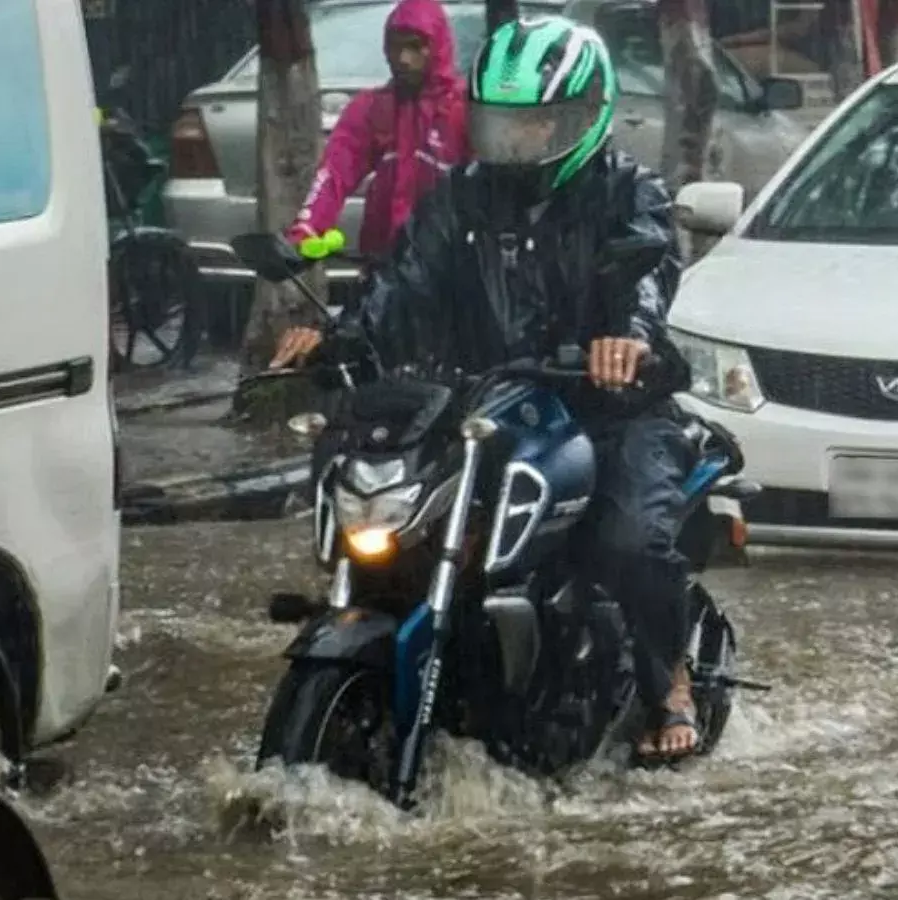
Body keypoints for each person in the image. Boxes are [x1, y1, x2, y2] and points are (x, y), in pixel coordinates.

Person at [271, 17, 703, 759]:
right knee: (403, 521)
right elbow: (400, 284)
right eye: (504, 123)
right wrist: (336, 340)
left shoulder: (630, 194)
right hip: (480, 405)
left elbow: (648, 275)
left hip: (608, 407)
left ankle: (672, 683)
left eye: (538, 122)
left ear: (583, 116)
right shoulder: (460, 198)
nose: (519, 140)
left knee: (627, 541)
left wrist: (625, 343)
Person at [286, 0, 469, 259]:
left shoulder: (463, 111)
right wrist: (307, 227)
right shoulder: (373, 108)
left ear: (438, 46)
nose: (404, 58)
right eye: (396, 46)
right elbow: (334, 172)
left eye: (416, 46)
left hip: (450, 262)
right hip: (384, 260)